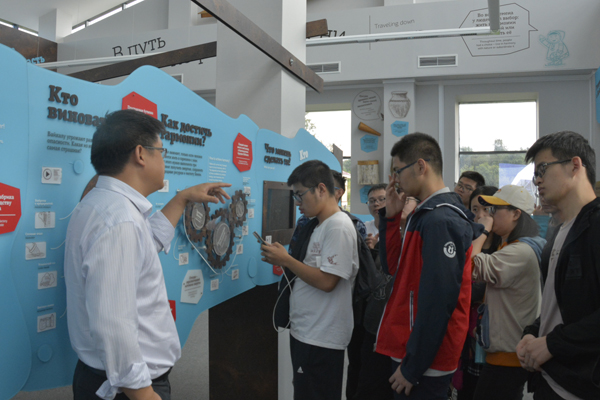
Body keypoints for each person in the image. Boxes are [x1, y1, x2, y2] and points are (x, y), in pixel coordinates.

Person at [64, 109, 231, 400]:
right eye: (161, 152)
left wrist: (181, 198)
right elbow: (113, 322)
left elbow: (144, 245)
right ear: (141, 154)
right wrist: (143, 393)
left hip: (112, 381)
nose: (164, 161)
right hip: (127, 389)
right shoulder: (120, 221)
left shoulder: (103, 206)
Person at [376, 132, 483, 399]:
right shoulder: (424, 214)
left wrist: (412, 368)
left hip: (425, 360)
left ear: (420, 166)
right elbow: (392, 268)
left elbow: (439, 300)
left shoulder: (441, 220)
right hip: (411, 347)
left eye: (398, 171)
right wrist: (391, 218)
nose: (395, 179)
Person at [261, 160, 359, 400]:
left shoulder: (337, 227)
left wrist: (286, 260)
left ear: (321, 189)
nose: (297, 203)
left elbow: (328, 282)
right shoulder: (320, 224)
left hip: (321, 337)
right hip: (309, 331)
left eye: (300, 195)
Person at [517, 131, 600, 399]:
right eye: (535, 174)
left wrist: (552, 343)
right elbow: (559, 305)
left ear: (575, 165)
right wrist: (533, 333)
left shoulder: (595, 225)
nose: (537, 180)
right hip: (551, 379)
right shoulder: (559, 231)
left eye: (543, 169)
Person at [470, 185, 544, 400]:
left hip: (508, 357)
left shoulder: (520, 251)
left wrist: (483, 231)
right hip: (505, 353)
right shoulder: (513, 246)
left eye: (494, 210)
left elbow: (471, 266)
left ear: (516, 214)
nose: (489, 215)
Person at [455, 185, 500, 400]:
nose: (480, 216)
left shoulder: (505, 247)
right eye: (475, 209)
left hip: (493, 336)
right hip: (466, 335)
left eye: (487, 210)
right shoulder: (464, 242)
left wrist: (484, 232)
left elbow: (474, 286)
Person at [364, 183, 387, 249]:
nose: (376, 204)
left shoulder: (401, 229)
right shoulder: (364, 229)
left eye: (381, 199)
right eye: (371, 201)